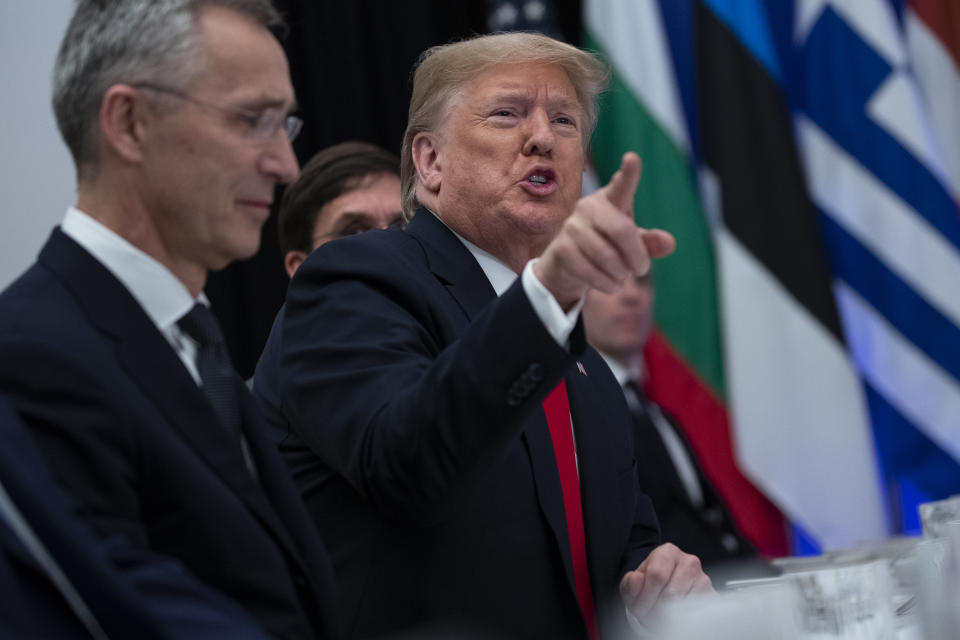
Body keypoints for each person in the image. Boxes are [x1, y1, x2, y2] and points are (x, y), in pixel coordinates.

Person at [268, 32, 711, 639]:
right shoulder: (356, 281)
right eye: (507, 113)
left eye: (564, 121)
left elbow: (620, 552)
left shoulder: (587, 370)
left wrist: (653, 574)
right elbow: (406, 463)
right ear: (429, 162)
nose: (542, 137)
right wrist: (549, 294)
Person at [0, 2, 340, 638]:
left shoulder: (197, 343)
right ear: (129, 123)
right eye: (252, 120)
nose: (286, 166)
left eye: (283, 125)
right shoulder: (31, 355)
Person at [582, 275, 758, 575]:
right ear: (572, 295)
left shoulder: (659, 415)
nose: (632, 296)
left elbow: (710, 523)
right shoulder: (579, 415)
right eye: (611, 281)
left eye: (644, 282)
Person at [252, 141, 402, 432]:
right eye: (355, 231)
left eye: (401, 225)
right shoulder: (316, 343)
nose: (389, 245)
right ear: (299, 267)